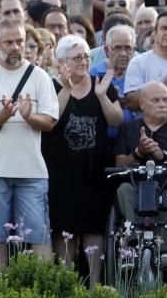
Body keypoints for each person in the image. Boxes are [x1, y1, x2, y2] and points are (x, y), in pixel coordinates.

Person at [0, 18, 59, 268]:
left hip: (33, 171)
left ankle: (41, 286)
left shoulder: (40, 77)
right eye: (9, 42)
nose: (15, 47)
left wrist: (29, 116)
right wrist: (6, 114)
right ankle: (0, 284)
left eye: (20, 41)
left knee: (38, 235)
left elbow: (49, 122)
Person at [42, 35, 123, 284]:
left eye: (87, 56)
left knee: (93, 228)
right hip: (60, 171)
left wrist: (101, 96)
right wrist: (66, 87)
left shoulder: (102, 84)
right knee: (65, 231)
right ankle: (67, 284)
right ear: (61, 62)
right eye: (77, 57)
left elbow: (117, 121)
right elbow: (49, 120)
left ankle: (95, 284)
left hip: (93, 171)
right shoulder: (50, 86)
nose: (84, 61)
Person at [113, 82, 167, 251]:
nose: (162, 104)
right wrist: (139, 152)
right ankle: (133, 244)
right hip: (137, 189)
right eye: (156, 100)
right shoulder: (128, 129)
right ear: (142, 104)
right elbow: (119, 164)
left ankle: (166, 248)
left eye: (166, 100)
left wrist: (165, 156)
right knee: (123, 189)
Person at [89, 24, 137, 132]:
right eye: (117, 48)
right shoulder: (94, 74)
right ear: (106, 50)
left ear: (134, 50)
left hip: (133, 139)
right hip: (103, 138)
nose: (123, 53)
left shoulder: (139, 74)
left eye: (128, 48)